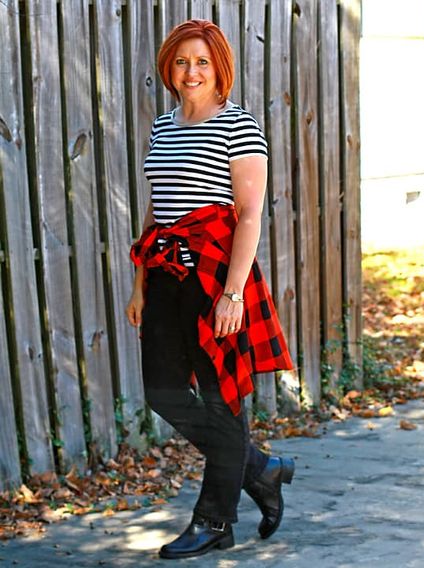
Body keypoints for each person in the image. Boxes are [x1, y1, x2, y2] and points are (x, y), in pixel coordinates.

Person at [125, 19, 295, 560]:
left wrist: (232, 293)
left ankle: (215, 520)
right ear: (167, 69)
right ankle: (259, 468)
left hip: (217, 276)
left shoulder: (239, 125)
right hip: (165, 275)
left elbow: (248, 217)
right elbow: (159, 209)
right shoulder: (162, 126)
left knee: (223, 401)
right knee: (162, 391)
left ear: (219, 67)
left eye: (201, 61)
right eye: (180, 62)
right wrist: (139, 285)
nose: (190, 71)